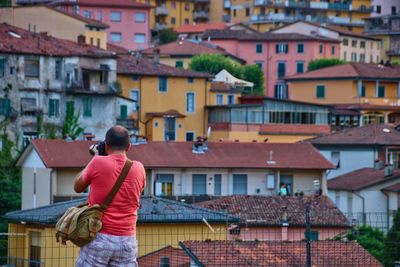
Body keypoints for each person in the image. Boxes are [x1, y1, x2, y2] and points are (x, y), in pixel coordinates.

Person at [74, 126, 146, 266]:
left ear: (106, 146)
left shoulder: (97, 162)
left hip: (100, 237)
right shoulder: (139, 168)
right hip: (127, 241)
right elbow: (139, 191)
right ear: (129, 147)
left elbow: (77, 187)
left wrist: (95, 158)